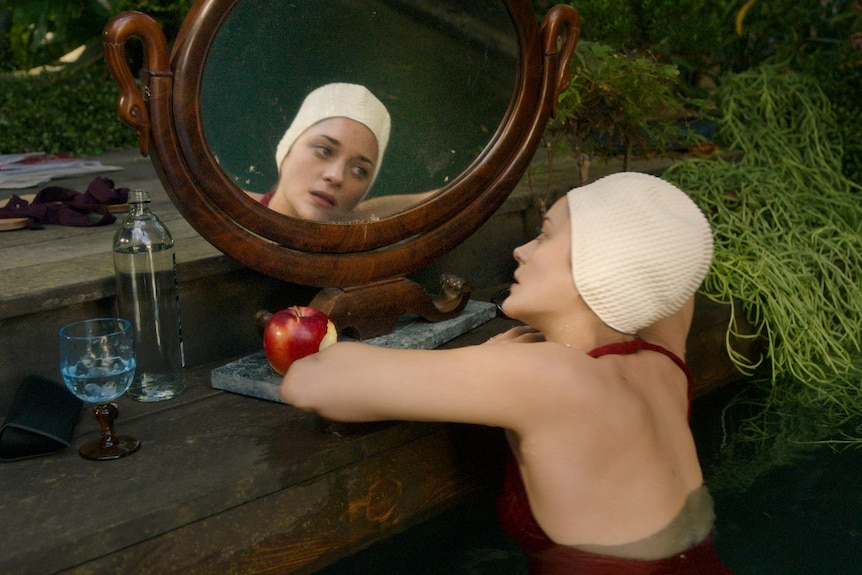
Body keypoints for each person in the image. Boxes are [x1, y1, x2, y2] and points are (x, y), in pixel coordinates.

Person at [280, 172, 733, 574]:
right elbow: (675, 278)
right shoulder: (663, 363)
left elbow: (312, 380)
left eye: (545, 236)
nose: (521, 249)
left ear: (601, 264)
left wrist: (485, 358)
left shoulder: (546, 375)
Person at [252, 82, 434, 222]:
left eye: (359, 170)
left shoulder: (367, 267)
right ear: (287, 149)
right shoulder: (227, 216)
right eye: (324, 151)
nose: (336, 176)